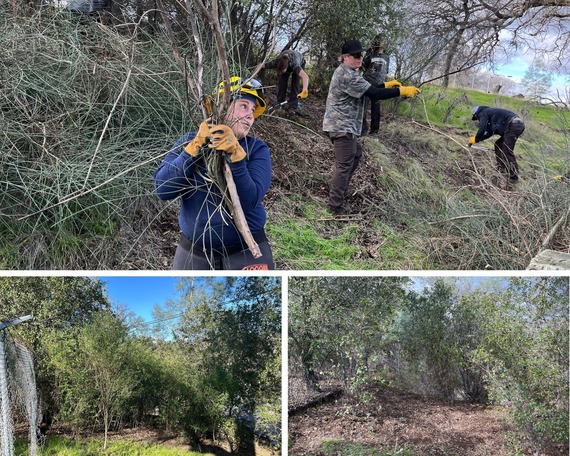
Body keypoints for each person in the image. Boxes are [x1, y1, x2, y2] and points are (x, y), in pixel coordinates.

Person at [154, 76, 274, 270]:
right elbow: (163, 189)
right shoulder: (190, 141)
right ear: (221, 107)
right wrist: (194, 148)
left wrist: (236, 156)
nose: (251, 115)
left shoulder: (256, 149)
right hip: (194, 252)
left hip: (245, 251)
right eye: (244, 106)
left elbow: (249, 201)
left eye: (253, 110)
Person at [323, 39, 421, 215]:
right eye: (356, 55)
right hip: (341, 125)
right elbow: (374, 94)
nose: (361, 58)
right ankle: (334, 205)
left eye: (362, 55)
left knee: (356, 155)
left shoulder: (351, 73)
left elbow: (368, 89)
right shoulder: (346, 74)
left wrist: (386, 85)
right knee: (344, 165)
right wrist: (401, 91)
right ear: (345, 57)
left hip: (346, 126)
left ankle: (339, 191)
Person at [469, 105, 525, 182]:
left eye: (476, 118)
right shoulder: (492, 114)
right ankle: (501, 168)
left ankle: (514, 177)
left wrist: (476, 138)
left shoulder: (483, 112)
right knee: (498, 145)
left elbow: (482, 128)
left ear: (476, 114)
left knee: (507, 150)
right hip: (518, 124)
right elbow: (490, 133)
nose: (478, 119)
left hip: (513, 124)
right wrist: (478, 140)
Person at [262, 49, 309, 115]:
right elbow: (261, 65)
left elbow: (305, 76)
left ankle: (293, 106)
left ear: (287, 67)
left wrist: (304, 90)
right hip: (285, 62)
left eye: (282, 70)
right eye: (279, 71)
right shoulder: (276, 62)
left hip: (299, 61)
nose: (280, 72)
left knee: (295, 83)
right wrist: (252, 76)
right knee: (282, 80)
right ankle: (280, 102)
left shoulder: (294, 65)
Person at [362, 34, 390, 135]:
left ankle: (374, 131)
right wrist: (369, 51)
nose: (383, 43)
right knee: (363, 108)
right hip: (368, 84)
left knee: (376, 110)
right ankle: (362, 130)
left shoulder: (387, 57)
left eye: (384, 41)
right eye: (381, 40)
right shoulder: (370, 54)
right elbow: (364, 66)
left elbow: (385, 72)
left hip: (380, 86)